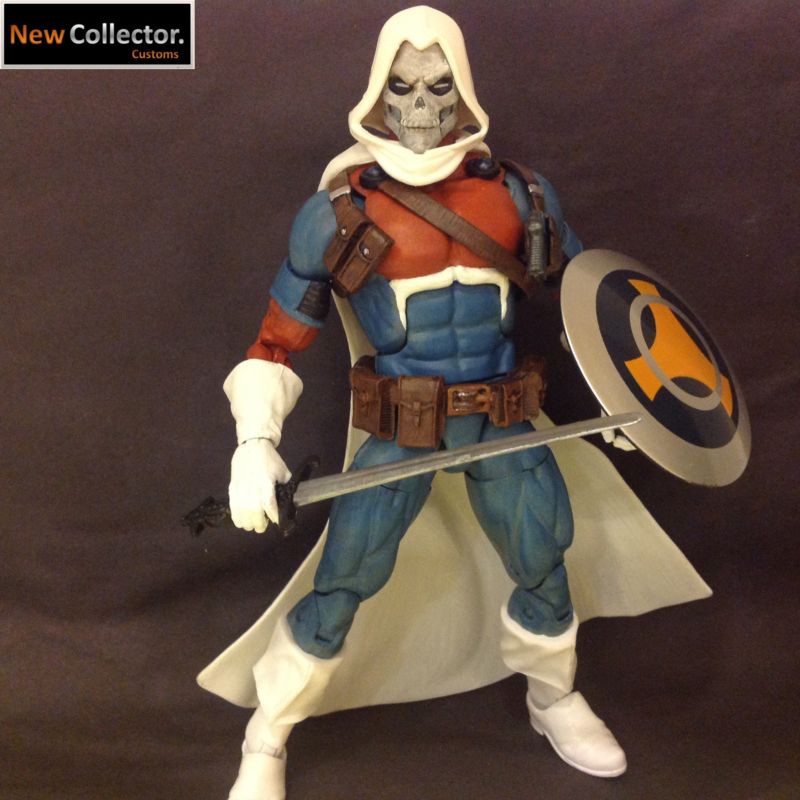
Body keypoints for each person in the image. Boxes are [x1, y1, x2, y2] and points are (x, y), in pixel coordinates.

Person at [199, 8, 710, 799]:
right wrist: (253, 443)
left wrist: (633, 396)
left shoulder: (519, 195)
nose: (420, 106)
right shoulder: (337, 213)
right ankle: (268, 732)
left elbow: (598, 304)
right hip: (401, 429)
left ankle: (552, 696)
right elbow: (274, 342)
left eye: (438, 86)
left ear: (464, 90)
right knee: (344, 577)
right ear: (377, 92)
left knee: (544, 555)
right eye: (402, 87)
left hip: (501, 422)